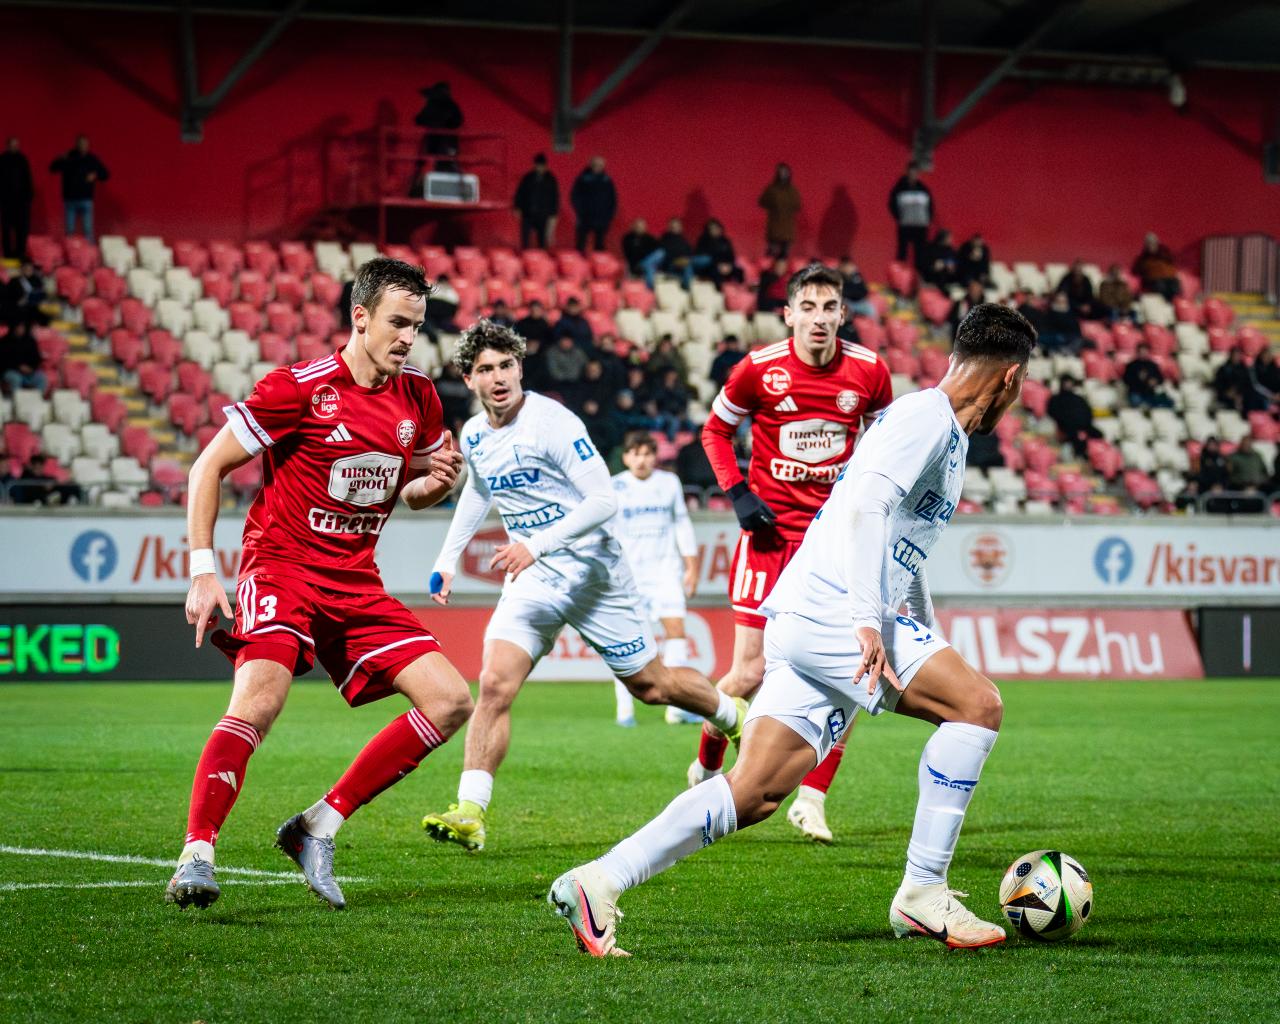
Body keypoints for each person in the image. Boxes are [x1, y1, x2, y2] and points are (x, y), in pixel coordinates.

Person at [549, 303, 1037, 957]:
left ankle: (598, 881)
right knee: (978, 706)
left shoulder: (939, 428)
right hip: (837, 611)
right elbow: (867, 508)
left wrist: (921, 628)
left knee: (754, 791)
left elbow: (904, 547)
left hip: (809, 614)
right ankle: (923, 891)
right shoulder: (926, 417)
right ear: (1011, 379)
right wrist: (866, 619)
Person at [163, 258, 470, 911]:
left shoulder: (419, 396)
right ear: (359, 317)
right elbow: (207, 467)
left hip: (355, 579)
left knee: (450, 701)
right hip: (281, 565)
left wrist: (440, 484)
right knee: (260, 702)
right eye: (397, 323)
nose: (408, 338)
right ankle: (196, 854)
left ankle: (316, 826)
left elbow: (410, 491)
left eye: (416, 326)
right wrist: (202, 570)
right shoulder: (298, 388)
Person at [418, 321, 748, 852]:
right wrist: (446, 559)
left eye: (507, 366)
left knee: (653, 687)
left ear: (520, 368)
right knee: (495, 683)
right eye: (486, 369)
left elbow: (603, 500)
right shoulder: (475, 434)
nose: (499, 378)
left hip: (594, 574)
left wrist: (536, 544)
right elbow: (478, 490)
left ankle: (731, 714)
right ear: (469, 378)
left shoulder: (553, 422)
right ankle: (471, 811)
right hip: (533, 579)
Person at [690, 262, 893, 845]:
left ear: (843, 314)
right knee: (749, 671)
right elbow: (714, 431)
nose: (819, 318)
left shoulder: (870, 371)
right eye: (808, 307)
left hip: (833, 546)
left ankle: (812, 800)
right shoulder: (758, 369)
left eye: (829, 308)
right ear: (788, 315)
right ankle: (705, 767)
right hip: (770, 538)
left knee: (853, 673)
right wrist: (738, 494)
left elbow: (884, 449)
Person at [610, 432, 701, 727]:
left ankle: (677, 707)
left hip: (665, 572)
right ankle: (625, 710)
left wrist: (691, 567)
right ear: (626, 457)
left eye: (647, 454)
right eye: (635, 453)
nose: (642, 459)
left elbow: (682, 524)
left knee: (676, 631)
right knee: (626, 642)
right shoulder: (614, 486)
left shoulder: (669, 483)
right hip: (629, 577)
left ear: (655, 457)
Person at [49, 136, 109, 242]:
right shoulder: (69, 157)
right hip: (70, 199)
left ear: (88, 146)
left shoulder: (92, 159)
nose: (83, 146)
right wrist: (60, 159)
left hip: (86, 199)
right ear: (76, 145)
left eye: (85, 144)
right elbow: (53, 168)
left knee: (88, 230)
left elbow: (105, 174)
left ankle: (89, 251)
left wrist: (95, 175)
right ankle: (70, 249)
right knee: (70, 230)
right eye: (81, 144)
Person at [888, 162, 933, 268]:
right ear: (907, 172)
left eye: (915, 173)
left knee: (920, 253)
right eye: (911, 172)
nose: (913, 175)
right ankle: (899, 275)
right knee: (902, 251)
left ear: (918, 174)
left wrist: (927, 219)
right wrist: (899, 217)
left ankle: (918, 274)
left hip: (921, 225)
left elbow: (930, 206)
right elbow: (891, 204)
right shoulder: (899, 188)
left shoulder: (923, 189)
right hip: (905, 225)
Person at [570, 156, 617, 254]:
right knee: (580, 244)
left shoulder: (607, 180)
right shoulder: (583, 179)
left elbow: (612, 199)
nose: (597, 167)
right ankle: (580, 262)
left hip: (602, 217)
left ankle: (598, 263)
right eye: (595, 165)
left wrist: (609, 215)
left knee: (599, 245)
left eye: (600, 165)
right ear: (591, 165)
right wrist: (580, 210)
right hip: (585, 216)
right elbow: (575, 196)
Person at [512, 153, 559, 250]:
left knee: (542, 241)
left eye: (542, 166)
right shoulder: (527, 178)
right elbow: (520, 193)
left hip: (543, 214)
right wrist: (517, 207)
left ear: (546, 166)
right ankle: (525, 254)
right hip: (528, 213)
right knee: (525, 240)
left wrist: (554, 213)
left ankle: (541, 256)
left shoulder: (551, 179)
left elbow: (555, 197)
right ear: (535, 165)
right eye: (538, 165)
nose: (540, 168)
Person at [1047, 376, 1101, 457]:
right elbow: (1054, 414)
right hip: (1066, 428)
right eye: (1066, 383)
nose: (1068, 385)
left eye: (1069, 383)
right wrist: (1069, 425)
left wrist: (1083, 427)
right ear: (1061, 384)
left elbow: (1088, 413)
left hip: (1083, 427)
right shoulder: (1055, 399)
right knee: (1077, 438)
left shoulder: (1079, 399)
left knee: (1098, 435)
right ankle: (1079, 456)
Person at [415, 81, 463, 170]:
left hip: (435, 139)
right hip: (448, 140)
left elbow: (419, 119)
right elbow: (458, 121)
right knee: (447, 163)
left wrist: (433, 122)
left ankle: (419, 176)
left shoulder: (433, 104)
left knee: (426, 161)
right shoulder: (452, 105)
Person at [0, 137, 33, 259]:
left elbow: (28, 179)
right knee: (6, 229)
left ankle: (20, 252)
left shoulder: (22, 159)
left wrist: (29, 197)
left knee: (21, 228)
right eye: (12, 145)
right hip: (6, 201)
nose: (14, 147)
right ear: (7, 145)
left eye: (16, 145)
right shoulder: (2, 160)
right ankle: (8, 253)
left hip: (21, 202)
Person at [758, 163, 801, 258]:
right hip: (775, 225)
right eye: (781, 172)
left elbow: (797, 205)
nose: (783, 174)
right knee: (771, 252)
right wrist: (773, 205)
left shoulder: (792, 190)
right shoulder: (772, 189)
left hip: (787, 226)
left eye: (785, 172)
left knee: (784, 253)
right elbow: (762, 201)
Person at [639, 218, 694, 290]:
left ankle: (686, 287)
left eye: (677, 226)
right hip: (669, 264)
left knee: (690, 264)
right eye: (673, 226)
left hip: (681, 264)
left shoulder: (684, 240)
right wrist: (676, 258)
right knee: (659, 255)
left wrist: (684, 259)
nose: (674, 228)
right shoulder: (665, 238)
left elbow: (689, 253)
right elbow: (663, 253)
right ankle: (650, 287)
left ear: (680, 227)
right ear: (669, 227)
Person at [1132, 232, 1180, 299]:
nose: (1151, 246)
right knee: (1160, 285)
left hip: (1170, 281)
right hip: (1154, 283)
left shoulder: (1165, 254)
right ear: (1146, 245)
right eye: (1149, 243)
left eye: (1153, 243)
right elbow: (1135, 271)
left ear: (1157, 243)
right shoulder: (1143, 259)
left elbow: (1172, 266)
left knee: (1174, 285)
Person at [1123, 343, 1172, 408]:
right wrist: (1138, 379)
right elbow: (1126, 380)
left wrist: (1155, 381)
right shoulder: (1131, 365)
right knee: (1137, 403)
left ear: (1148, 352)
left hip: (1150, 393)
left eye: (1145, 351)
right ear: (1137, 352)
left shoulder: (1152, 365)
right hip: (1136, 392)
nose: (1143, 353)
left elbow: (1160, 378)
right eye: (1141, 352)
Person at [694, 218, 736, 284]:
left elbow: (731, 255)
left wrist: (729, 265)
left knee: (739, 269)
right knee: (714, 270)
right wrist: (719, 265)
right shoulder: (703, 241)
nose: (715, 230)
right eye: (712, 229)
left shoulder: (725, 241)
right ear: (708, 230)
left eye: (717, 228)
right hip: (710, 267)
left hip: (726, 266)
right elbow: (704, 257)